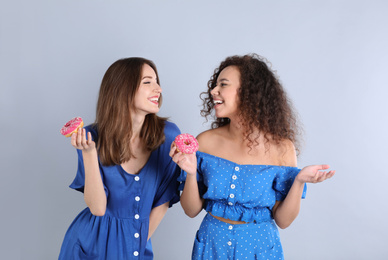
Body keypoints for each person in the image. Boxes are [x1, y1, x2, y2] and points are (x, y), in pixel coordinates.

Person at [170, 54, 335, 259]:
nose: (213, 91)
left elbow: (283, 221)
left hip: (259, 249)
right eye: (215, 84)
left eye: (223, 84)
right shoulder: (205, 142)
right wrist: (191, 173)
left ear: (249, 92)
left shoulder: (282, 149)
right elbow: (191, 210)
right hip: (212, 246)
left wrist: (299, 181)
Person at [59, 57, 181, 259]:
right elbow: (98, 208)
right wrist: (89, 153)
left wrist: (136, 244)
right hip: (89, 246)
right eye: (148, 82)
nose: (158, 89)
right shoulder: (90, 137)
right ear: (123, 88)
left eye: (157, 81)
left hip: (136, 246)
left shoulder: (168, 136)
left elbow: (164, 199)